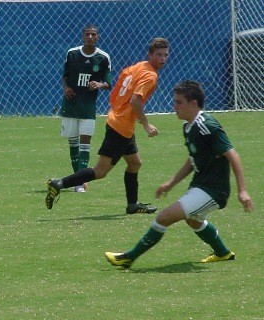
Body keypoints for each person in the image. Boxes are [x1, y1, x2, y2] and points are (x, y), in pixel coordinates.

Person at [105, 80, 254, 269]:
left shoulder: (206, 124)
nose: (174, 106)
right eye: (174, 102)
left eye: (179, 102)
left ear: (193, 104)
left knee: (164, 217)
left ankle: (128, 257)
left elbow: (232, 155)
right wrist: (171, 183)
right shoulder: (188, 126)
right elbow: (192, 160)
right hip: (200, 185)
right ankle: (223, 253)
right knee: (193, 220)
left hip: (214, 190)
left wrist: (243, 191)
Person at [46, 38, 170, 214]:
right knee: (100, 171)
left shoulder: (137, 67)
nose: (163, 58)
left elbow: (118, 89)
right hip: (120, 127)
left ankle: (132, 205)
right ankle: (59, 183)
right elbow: (135, 101)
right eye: (158, 55)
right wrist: (146, 124)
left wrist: (120, 109)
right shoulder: (150, 75)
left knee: (135, 163)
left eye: (165, 55)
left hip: (121, 122)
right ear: (150, 54)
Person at [59, 24, 112, 192]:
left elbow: (109, 84)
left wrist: (99, 84)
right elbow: (65, 76)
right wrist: (66, 88)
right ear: (83, 36)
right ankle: (77, 179)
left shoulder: (103, 58)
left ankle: (80, 183)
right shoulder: (72, 54)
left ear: (98, 37)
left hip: (88, 107)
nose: (90, 37)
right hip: (71, 105)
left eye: (93, 34)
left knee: (85, 142)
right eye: (87, 34)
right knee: (73, 143)